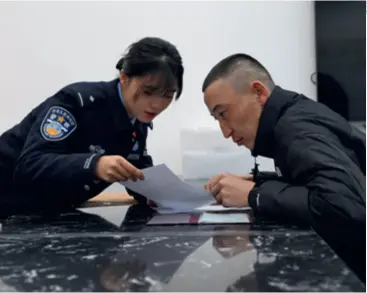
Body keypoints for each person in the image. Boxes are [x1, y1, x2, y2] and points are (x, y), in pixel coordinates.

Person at [201, 53, 366, 282]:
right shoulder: (292, 116)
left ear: (259, 93)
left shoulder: (296, 129)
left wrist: (254, 195)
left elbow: (346, 207)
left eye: (223, 113)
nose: (225, 132)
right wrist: (259, 182)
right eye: (216, 118)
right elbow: (313, 180)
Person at [0, 36, 184, 215]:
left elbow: (135, 171)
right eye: (148, 91)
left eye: (168, 95)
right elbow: (30, 164)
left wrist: (168, 194)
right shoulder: (77, 102)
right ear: (124, 77)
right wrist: (94, 164)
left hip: (48, 212)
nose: (157, 104)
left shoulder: (138, 119)